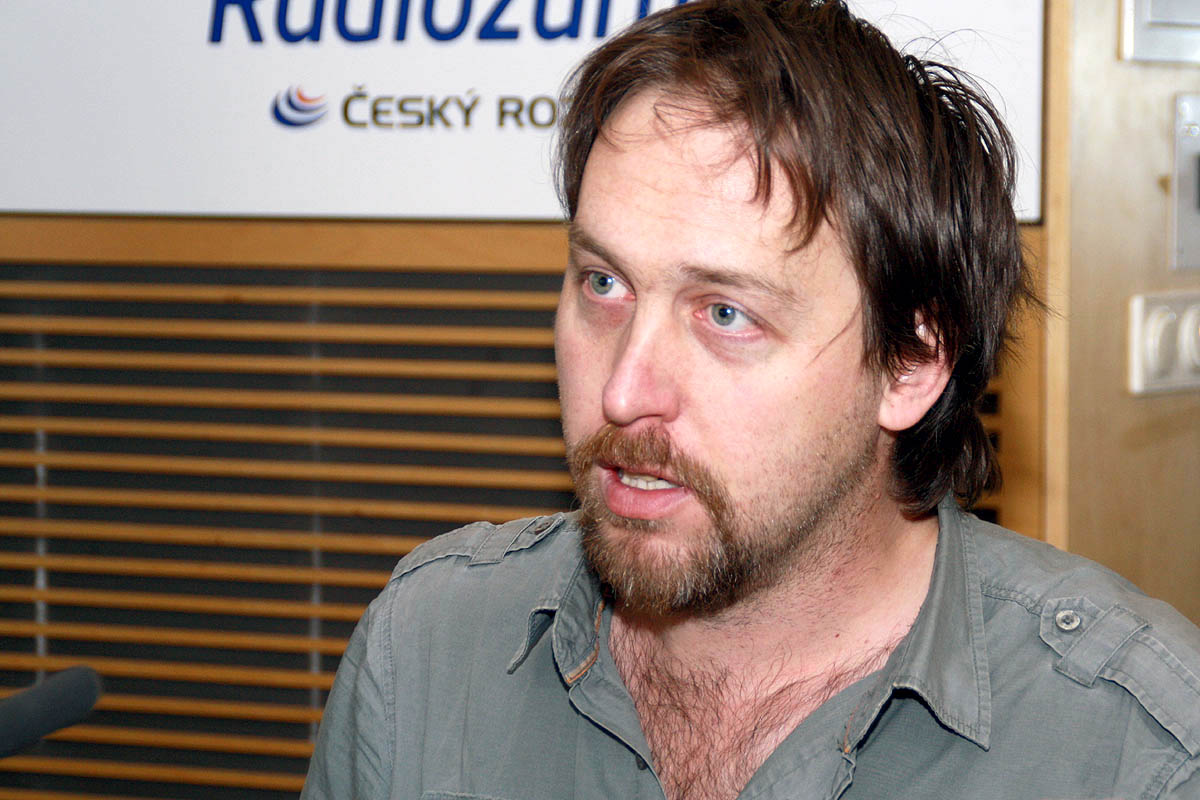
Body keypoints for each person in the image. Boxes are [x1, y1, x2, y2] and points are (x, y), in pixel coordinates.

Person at [300, 1, 1200, 797]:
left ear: (911, 365)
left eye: (726, 314)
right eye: (604, 284)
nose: (623, 392)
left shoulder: (1136, 753)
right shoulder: (427, 652)